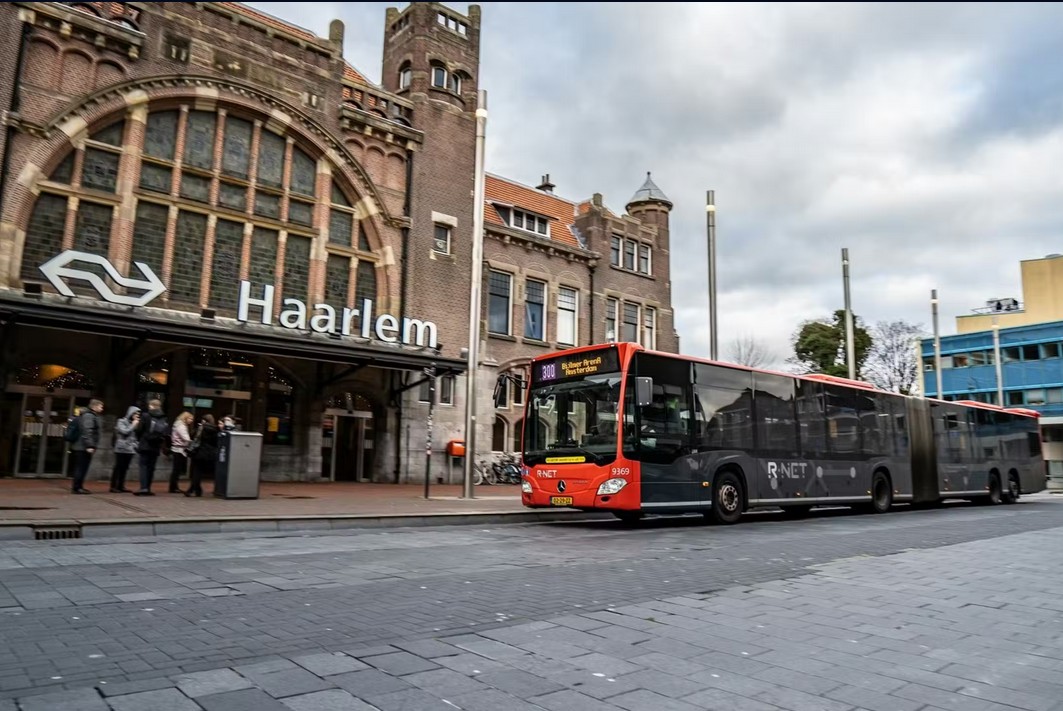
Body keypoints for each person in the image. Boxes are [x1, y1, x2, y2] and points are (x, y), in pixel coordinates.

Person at [134, 399, 169, 496]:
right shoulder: (163, 417)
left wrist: (139, 439)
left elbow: (139, 429)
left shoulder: (146, 415)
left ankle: (143, 488)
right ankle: (148, 488)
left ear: (151, 406)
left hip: (145, 444)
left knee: (143, 466)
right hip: (156, 445)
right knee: (151, 467)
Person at [70, 399, 103, 494]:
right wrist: (90, 445)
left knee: (82, 466)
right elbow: (88, 431)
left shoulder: (89, 415)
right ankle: (77, 487)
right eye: (100, 406)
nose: (102, 408)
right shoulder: (89, 416)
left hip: (82, 445)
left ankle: (78, 486)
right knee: (81, 467)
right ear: (94, 406)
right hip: (83, 446)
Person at [187, 414, 218, 497]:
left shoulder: (201, 428)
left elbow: (193, 437)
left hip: (199, 452)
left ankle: (195, 490)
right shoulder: (215, 429)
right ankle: (193, 490)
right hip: (209, 453)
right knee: (201, 472)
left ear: (204, 420)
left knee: (196, 472)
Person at [110, 406, 140, 493]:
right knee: (118, 467)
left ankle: (121, 485)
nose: (137, 416)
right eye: (136, 414)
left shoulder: (135, 423)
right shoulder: (121, 421)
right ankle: (114, 486)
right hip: (121, 448)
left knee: (125, 468)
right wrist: (133, 425)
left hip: (130, 449)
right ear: (131, 413)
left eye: (138, 414)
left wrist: (136, 445)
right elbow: (124, 432)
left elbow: (134, 437)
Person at [169, 411, 194, 494]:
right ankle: (173, 487)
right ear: (185, 418)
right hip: (179, 449)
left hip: (178, 448)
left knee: (176, 469)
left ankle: (173, 486)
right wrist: (191, 441)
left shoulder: (179, 424)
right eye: (190, 418)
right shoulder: (181, 425)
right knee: (176, 469)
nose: (191, 420)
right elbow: (185, 437)